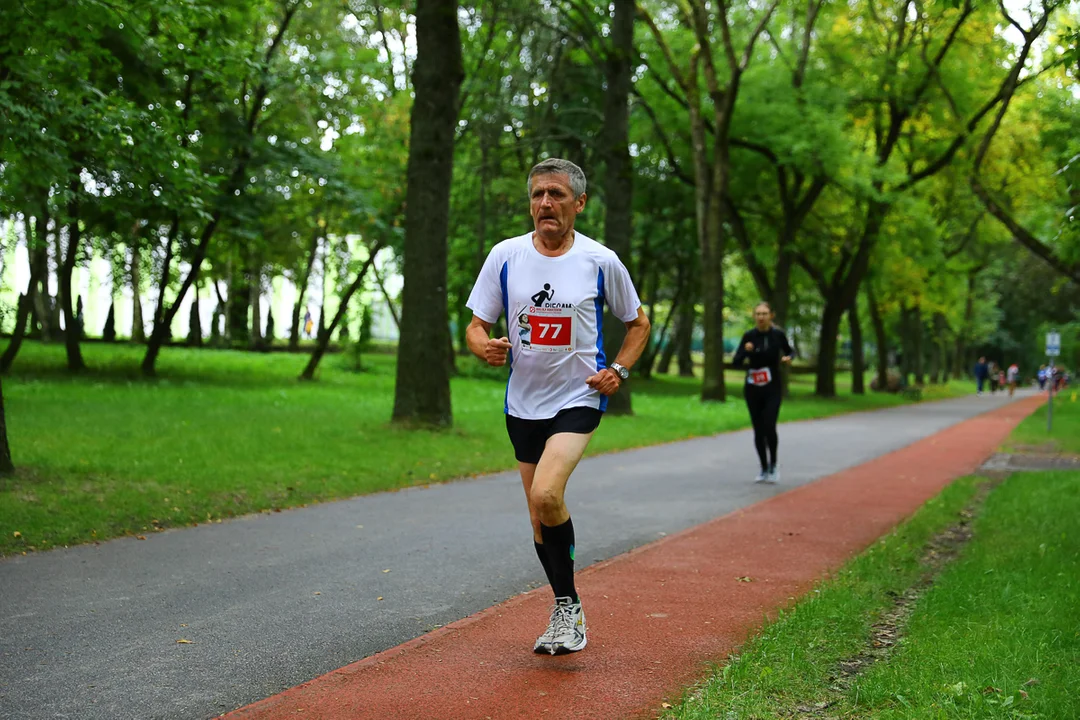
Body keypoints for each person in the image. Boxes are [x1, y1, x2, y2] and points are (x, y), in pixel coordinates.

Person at [465, 158, 650, 656]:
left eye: (557, 195)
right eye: (538, 195)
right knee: (536, 514)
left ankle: (568, 610)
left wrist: (619, 371)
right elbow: (476, 324)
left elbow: (638, 324)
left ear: (579, 203)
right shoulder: (504, 255)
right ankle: (565, 606)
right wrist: (481, 345)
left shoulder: (600, 261)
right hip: (523, 404)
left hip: (578, 396)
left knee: (547, 495)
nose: (545, 203)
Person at [730, 302, 793, 483]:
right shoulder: (749, 336)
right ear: (754, 316)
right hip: (752, 388)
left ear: (771, 316)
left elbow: (790, 352)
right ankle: (763, 467)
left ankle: (773, 464)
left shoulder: (777, 335)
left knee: (769, 426)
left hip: (772, 387)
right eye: (758, 313)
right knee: (758, 430)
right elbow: (736, 362)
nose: (761, 317)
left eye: (765, 313)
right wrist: (745, 351)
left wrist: (788, 358)